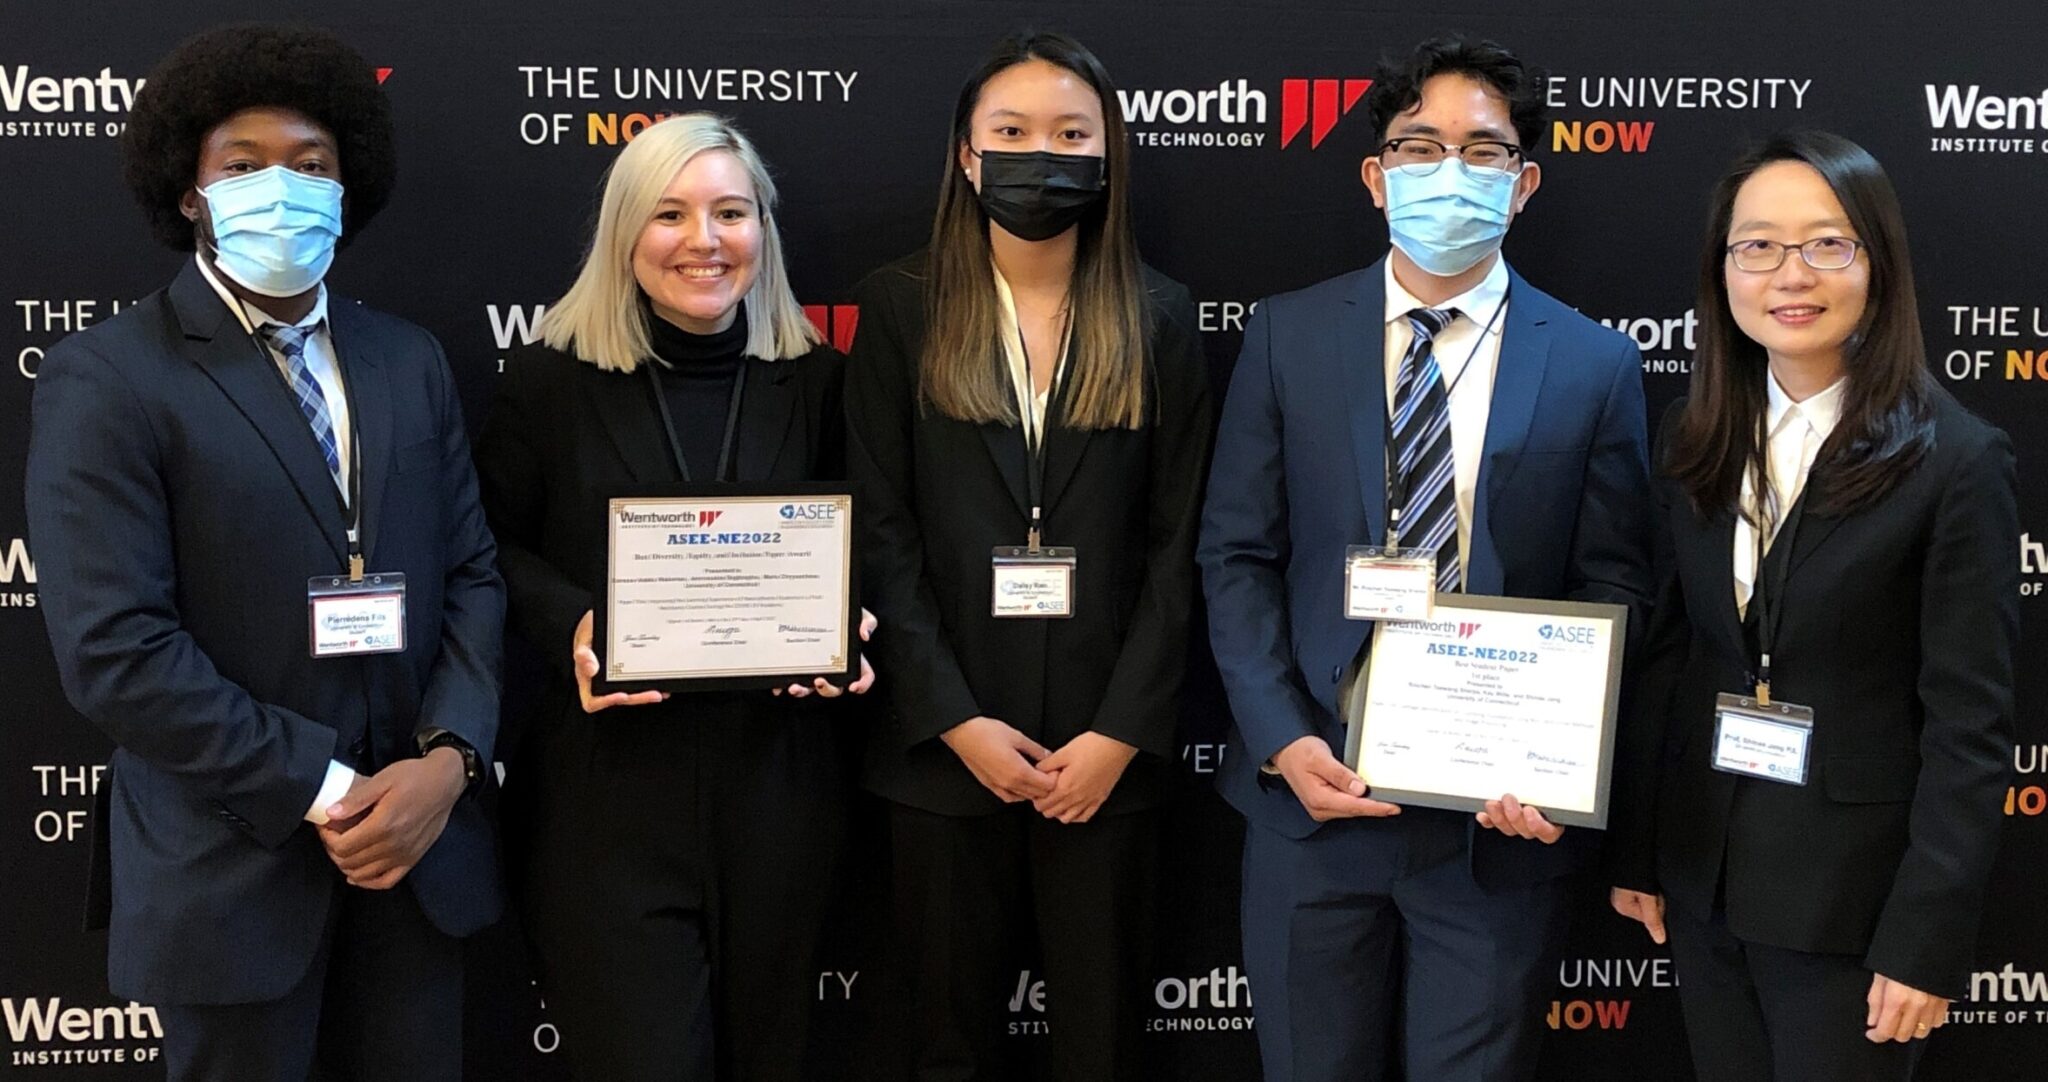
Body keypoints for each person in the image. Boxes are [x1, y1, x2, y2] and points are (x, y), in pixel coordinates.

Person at [23, 25, 504, 1082]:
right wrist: (327, 789)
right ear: (190, 192)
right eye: (243, 166)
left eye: (310, 162)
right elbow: (115, 651)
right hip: (231, 875)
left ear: (346, 185)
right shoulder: (109, 376)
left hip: (419, 869)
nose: (281, 188)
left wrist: (448, 763)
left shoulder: (408, 359)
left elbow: (472, 571)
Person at [1198, 34, 1655, 1082]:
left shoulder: (1594, 362)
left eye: (1483, 150)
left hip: (1493, 831)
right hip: (1311, 801)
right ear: (1375, 176)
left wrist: (1556, 761)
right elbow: (1235, 554)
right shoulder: (1287, 335)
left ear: (1523, 184)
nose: (1450, 171)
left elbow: (1614, 582)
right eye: (1419, 146)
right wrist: (1279, 739)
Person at [1607, 130, 2016, 1082]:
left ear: (1878, 261)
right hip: (1705, 881)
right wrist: (1637, 851)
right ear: (1723, 271)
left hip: (1852, 910)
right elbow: (1672, 656)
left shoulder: (1956, 461)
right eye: (1758, 246)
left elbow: (1969, 724)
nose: (1791, 274)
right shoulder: (1695, 434)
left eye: (1827, 244)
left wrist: (1924, 937)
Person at [844, 30, 1212, 1081]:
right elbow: (880, 531)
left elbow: (1179, 542)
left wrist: (1119, 733)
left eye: (1069, 134)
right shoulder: (899, 305)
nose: (1038, 154)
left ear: (1107, 155)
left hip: (1105, 763)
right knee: (942, 1047)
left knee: (1103, 1047)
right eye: (1009, 132)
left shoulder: (1160, 317)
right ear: (967, 156)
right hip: (941, 755)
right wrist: (955, 721)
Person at [474, 113, 871, 1082]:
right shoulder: (546, 380)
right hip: (606, 800)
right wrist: (572, 623)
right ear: (625, 233)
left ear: (762, 230)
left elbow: (870, 544)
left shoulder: (821, 382)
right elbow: (488, 549)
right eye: (670, 214)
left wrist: (853, 621)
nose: (704, 239)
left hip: (780, 792)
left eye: (730, 212)